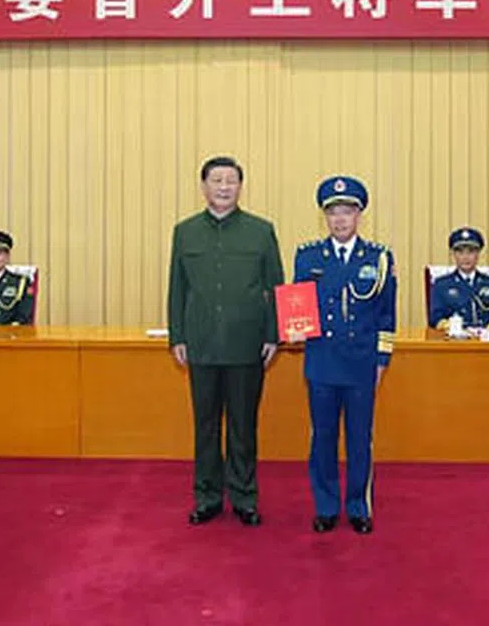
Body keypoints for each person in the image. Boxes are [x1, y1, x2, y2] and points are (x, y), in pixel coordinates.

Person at [167, 155, 284, 527]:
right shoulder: (185, 232)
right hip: (201, 343)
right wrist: (177, 335)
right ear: (203, 186)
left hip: (247, 344)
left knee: (243, 426)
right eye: (216, 180)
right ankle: (207, 497)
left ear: (240, 186)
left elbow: (276, 286)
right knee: (205, 426)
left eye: (230, 180)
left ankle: (245, 497)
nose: (223, 187)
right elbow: (177, 288)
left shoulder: (260, 231)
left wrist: (273, 334)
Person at [293, 176, 396, 535]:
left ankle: (358, 505)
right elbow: (298, 307)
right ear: (325, 216)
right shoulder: (308, 256)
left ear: (359, 215)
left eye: (347, 211)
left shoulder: (379, 258)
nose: (340, 219)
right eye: (333, 212)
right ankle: (325, 506)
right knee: (322, 437)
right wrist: (292, 329)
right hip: (322, 362)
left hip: (360, 363)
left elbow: (386, 315)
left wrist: (382, 361)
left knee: (359, 438)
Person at [428, 227, 489, 330]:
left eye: (471, 252)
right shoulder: (441, 285)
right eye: (460, 252)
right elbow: (435, 318)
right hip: (454, 338)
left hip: (485, 338)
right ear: (454, 255)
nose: (465, 257)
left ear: (478, 254)